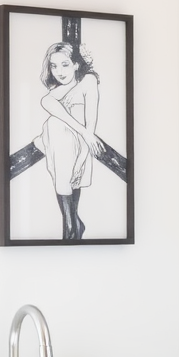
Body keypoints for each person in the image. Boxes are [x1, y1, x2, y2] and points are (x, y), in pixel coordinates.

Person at [33, 41, 103, 240]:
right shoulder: (61, 88)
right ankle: (72, 225)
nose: (58, 71)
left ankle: (72, 226)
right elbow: (45, 101)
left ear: (76, 64)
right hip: (59, 145)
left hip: (76, 149)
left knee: (66, 173)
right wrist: (84, 133)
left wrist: (82, 158)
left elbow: (91, 126)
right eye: (53, 66)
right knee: (55, 125)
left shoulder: (89, 81)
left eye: (65, 64)